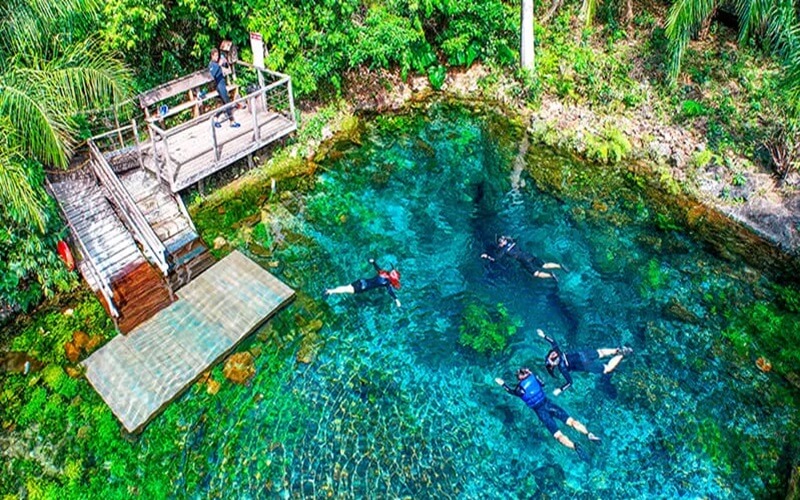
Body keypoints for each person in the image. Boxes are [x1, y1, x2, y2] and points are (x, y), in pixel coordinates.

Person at [495, 368, 599, 461]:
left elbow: (510, 391)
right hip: (549, 404)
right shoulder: (534, 377)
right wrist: (532, 373)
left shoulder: (519, 390)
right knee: (571, 421)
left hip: (541, 412)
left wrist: (502, 384)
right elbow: (543, 383)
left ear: (519, 378)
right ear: (527, 373)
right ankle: (588, 434)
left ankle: (575, 447)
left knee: (558, 435)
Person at [538, 329, 633, 396]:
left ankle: (622, 355)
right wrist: (543, 336)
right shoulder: (559, 353)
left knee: (607, 368)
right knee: (601, 352)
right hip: (584, 354)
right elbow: (553, 342)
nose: (553, 355)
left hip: (585, 364)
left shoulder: (562, 368)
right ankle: (619, 350)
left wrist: (560, 390)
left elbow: (569, 383)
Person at [480, 235, 567, 281]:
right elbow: (513, 239)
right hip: (529, 255)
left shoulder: (503, 250)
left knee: (536, 274)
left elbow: (496, 259)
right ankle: (560, 266)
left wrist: (486, 256)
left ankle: (551, 275)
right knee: (545, 265)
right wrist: (507, 238)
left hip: (524, 261)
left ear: (501, 244)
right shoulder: (512, 242)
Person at [324, 258, 401, 307]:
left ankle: (331, 291)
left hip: (361, 281)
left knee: (346, 287)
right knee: (345, 289)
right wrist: (396, 300)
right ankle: (330, 291)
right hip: (362, 287)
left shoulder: (383, 273)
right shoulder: (386, 283)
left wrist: (373, 262)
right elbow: (390, 291)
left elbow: (377, 268)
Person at [209, 48, 240, 128]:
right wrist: (219, 64)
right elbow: (213, 75)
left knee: (224, 104)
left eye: (217, 55)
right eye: (215, 56)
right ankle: (232, 121)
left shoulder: (217, 63)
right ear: (212, 56)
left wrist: (225, 62)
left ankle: (215, 118)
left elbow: (226, 67)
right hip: (219, 85)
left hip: (223, 84)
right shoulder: (212, 64)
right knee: (227, 103)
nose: (217, 57)